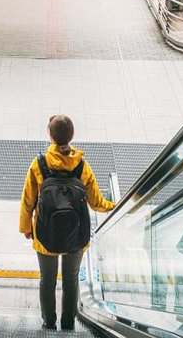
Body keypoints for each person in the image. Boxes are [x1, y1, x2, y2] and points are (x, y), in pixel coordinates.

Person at [19, 115, 116, 331]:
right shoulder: (82, 166)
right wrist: (115, 206)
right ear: (71, 136)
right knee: (71, 279)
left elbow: (27, 201)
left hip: (45, 234)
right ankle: (68, 323)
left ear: (50, 135)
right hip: (76, 235)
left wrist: (26, 228)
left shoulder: (39, 164)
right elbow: (96, 202)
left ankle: (49, 323)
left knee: (48, 279)